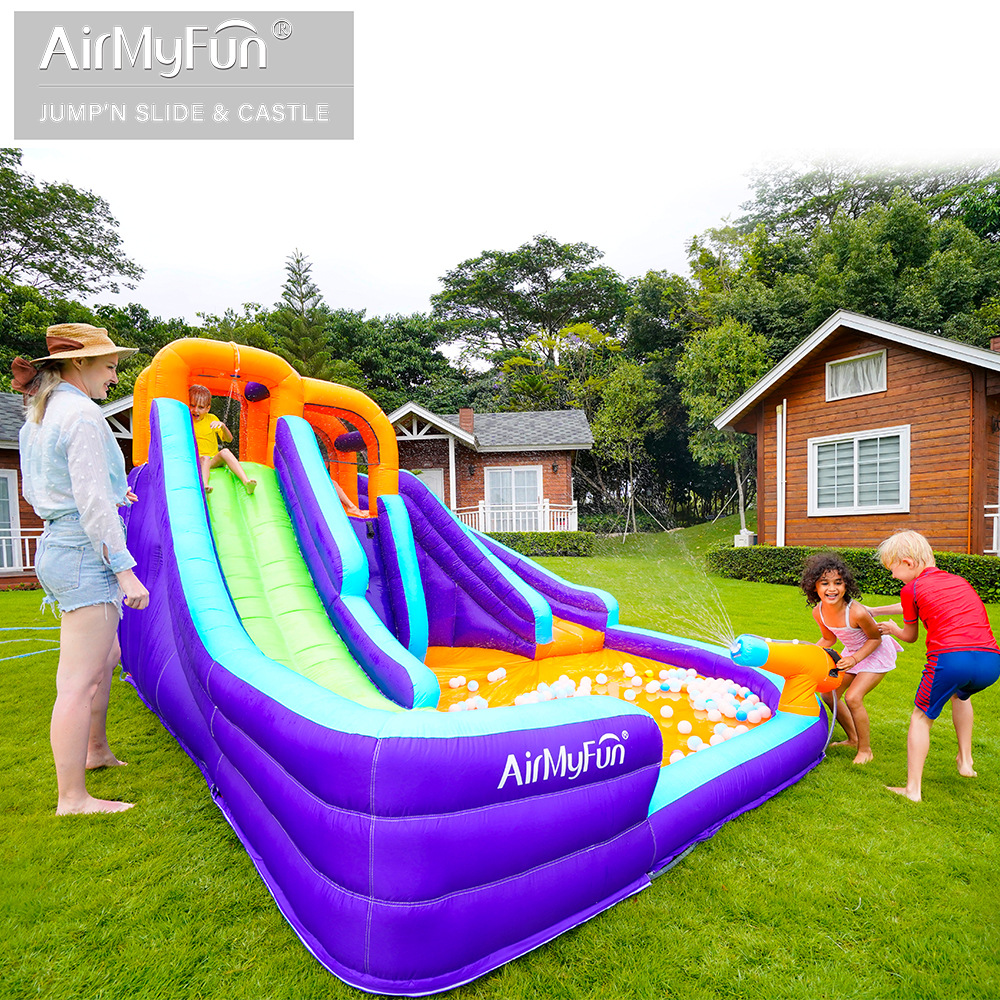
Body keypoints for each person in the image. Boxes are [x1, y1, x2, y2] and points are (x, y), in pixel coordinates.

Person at [13, 323, 150, 815]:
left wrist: (116, 493)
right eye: (110, 366)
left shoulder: (40, 415)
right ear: (78, 364)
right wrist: (123, 570)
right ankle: (72, 798)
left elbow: (51, 490)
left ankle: (95, 751)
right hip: (83, 551)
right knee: (76, 681)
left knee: (105, 656)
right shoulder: (82, 416)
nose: (114, 377)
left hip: (59, 542)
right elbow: (91, 504)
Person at [874, 530, 1000, 802]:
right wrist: (876, 610)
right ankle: (966, 761)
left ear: (907, 562)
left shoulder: (912, 588)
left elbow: (910, 635)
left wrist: (893, 629)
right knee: (961, 695)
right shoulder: (957, 581)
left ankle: (912, 790)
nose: (893, 576)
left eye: (893, 569)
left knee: (921, 717)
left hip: (951, 659)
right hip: (990, 661)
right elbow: (918, 604)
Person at [800, 553, 900, 764]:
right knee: (829, 693)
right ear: (814, 587)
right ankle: (853, 739)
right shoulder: (819, 612)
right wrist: (808, 653)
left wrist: (854, 659)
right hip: (853, 651)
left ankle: (865, 750)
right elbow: (829, 638)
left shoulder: (857, 612)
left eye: (838, 582)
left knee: (853, 698)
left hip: (876, 652)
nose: (832, 588)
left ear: (846, 585)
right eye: (824, 583)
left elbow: (875, 639)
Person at [188, 384, 256, 495]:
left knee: (225, 451)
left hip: (212, 460)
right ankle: (205, 486)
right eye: (192, 405)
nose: (196, 410)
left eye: (200, 407)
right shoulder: (187, 419)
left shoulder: (212, 419)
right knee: (204, 458)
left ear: (207, 408)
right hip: (197, 461)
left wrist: (223, 427)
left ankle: (246, 481)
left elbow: (229, 439)